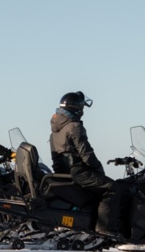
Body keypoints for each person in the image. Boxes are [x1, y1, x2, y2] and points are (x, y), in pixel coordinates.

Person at [49, 91, 122, 237]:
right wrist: (98, 167)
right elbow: (86, 154)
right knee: (113, 188)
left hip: (62, 172)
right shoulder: (75, 127)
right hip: (78, 171)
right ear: (77, 108)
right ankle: (104, 228)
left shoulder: (55, 130)